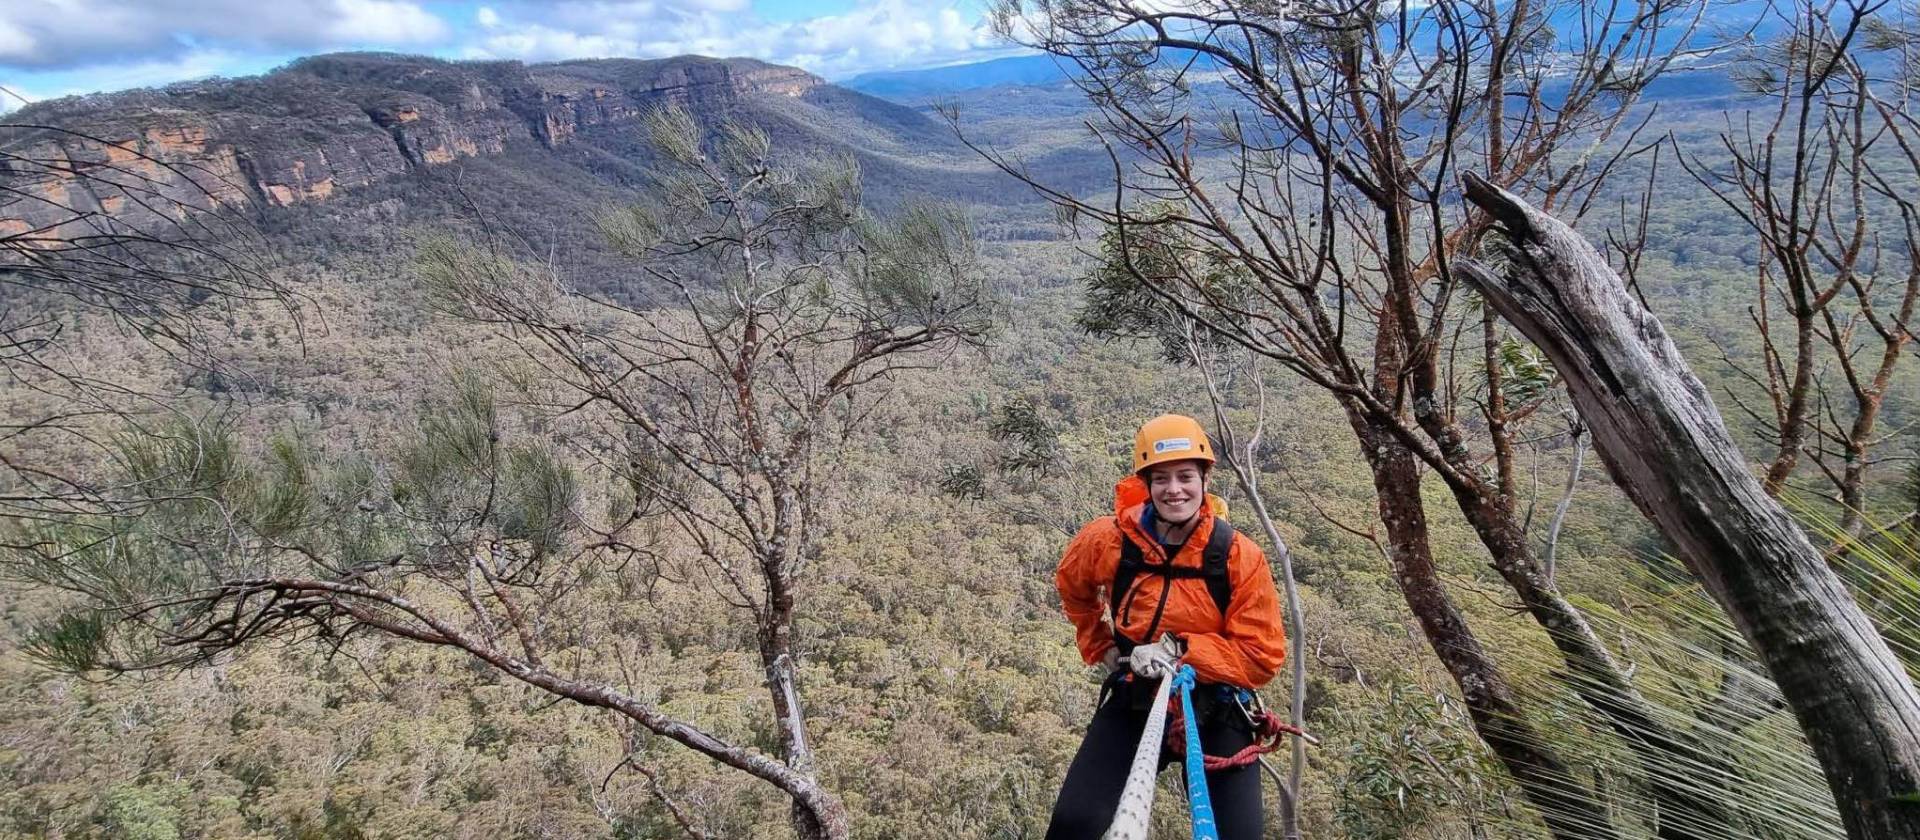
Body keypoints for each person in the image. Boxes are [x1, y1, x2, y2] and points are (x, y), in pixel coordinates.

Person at [1046, 414, 1288, 839]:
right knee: (1074, 824)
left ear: (1204, 479)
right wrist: (1100, 644)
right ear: (1146, 484)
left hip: (1220, 702)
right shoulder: (1108, 540)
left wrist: (1179, 649)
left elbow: (1261, 655)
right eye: (1161, 479)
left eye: (1185, 476)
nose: (1174, 489)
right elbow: (1073, 586)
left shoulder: (1237, 556)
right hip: (1136, 690)